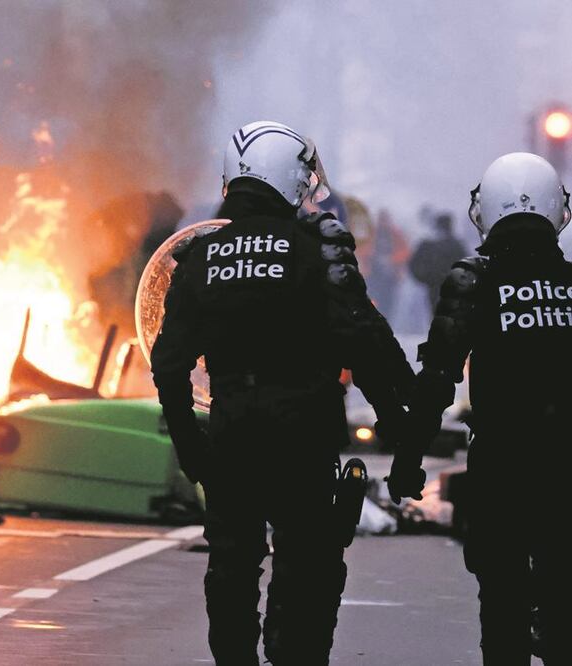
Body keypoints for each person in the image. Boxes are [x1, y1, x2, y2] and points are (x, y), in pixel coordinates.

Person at [151, 120, 413, 665]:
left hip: (231, 434)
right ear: (291, 177)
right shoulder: (316, 250)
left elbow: (168, 364)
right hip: (304, 436)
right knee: (309, 568)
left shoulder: (199, 256)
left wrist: (191, 449)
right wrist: (403, 427)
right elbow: (364, 343)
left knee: (231, 569)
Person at [389, 152, 572, 665]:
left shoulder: (473, 282)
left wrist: (407, 462)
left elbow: (436, 382)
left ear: (486, 211)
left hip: (502, 468)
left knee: (502, 608)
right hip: (567, 469)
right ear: (559, 211)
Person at [408, 212, 468, 311]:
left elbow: (413, 265)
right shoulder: (455, 244)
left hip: (438, 287)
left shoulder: (428, 244)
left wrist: (426, 278)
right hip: (449, 287)